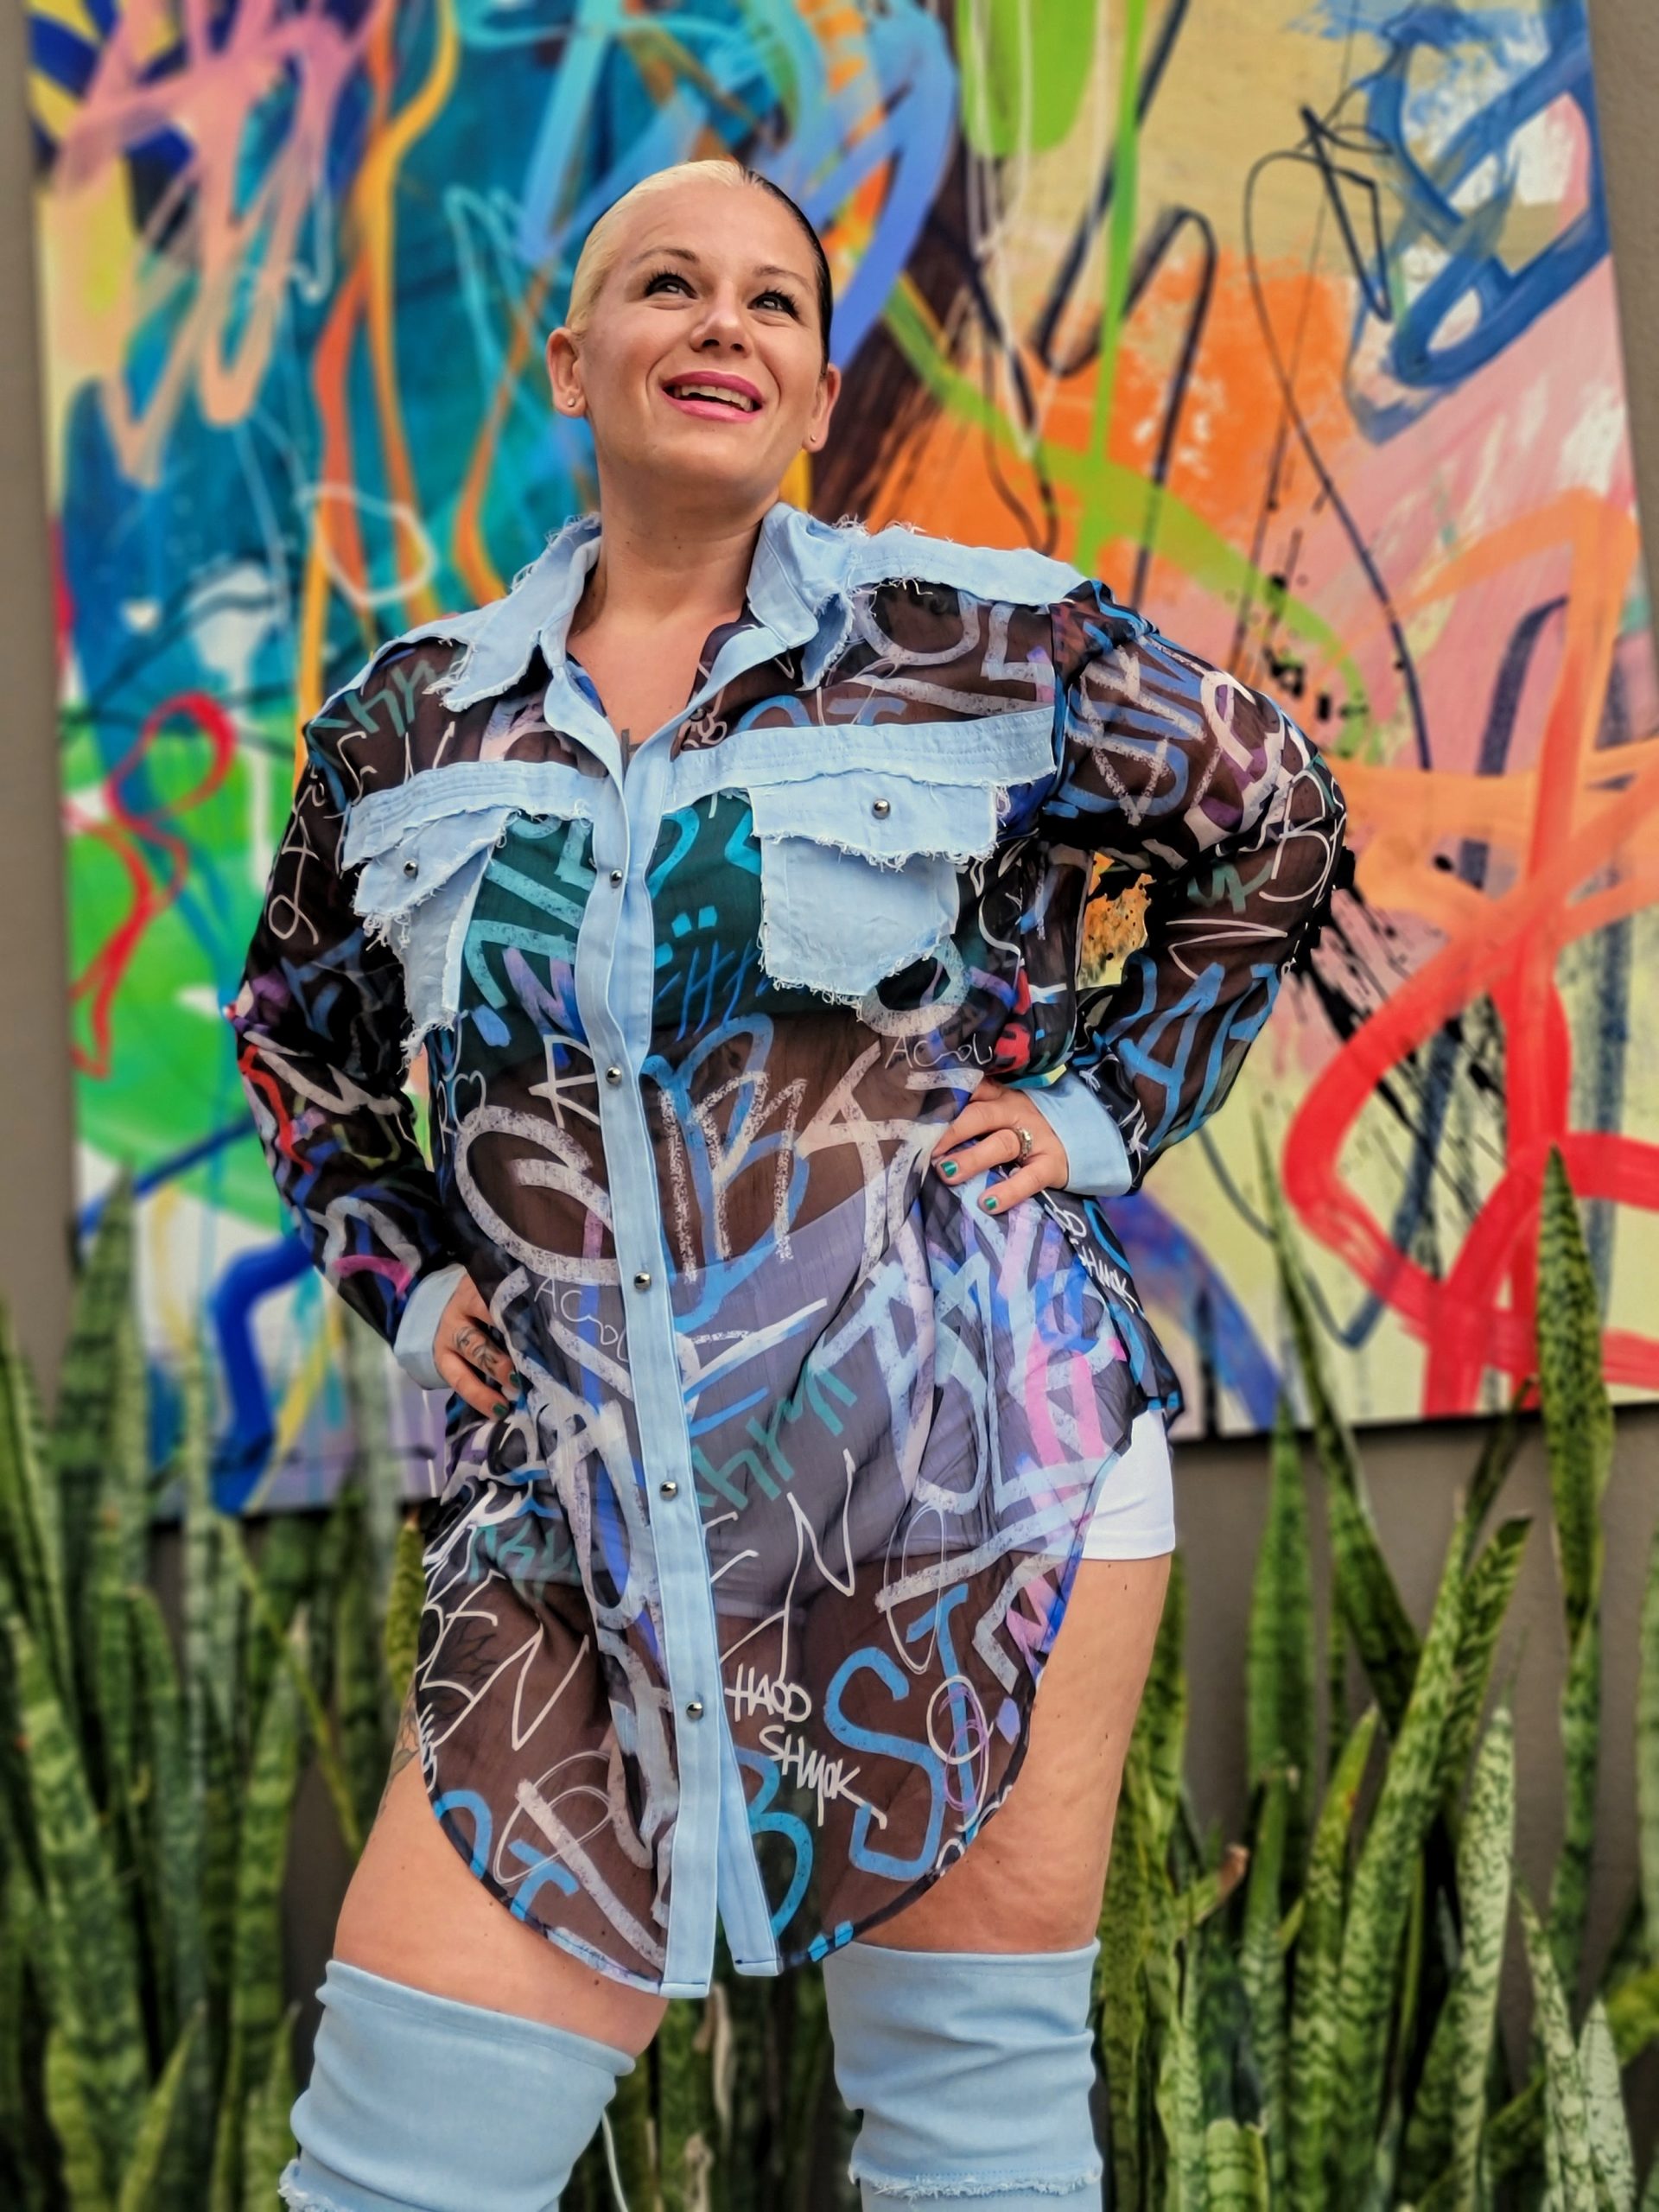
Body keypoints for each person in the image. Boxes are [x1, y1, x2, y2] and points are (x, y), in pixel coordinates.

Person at [231, 158, 1347, 2212]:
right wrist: (411, 1276)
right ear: (574, 357)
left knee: (973, 2141)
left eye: (771, 301)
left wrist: (1098, 1112)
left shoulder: (976, 641)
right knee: (393, 2167)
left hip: (962, 1469)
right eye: (667, 284)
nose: (720, 325)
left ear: (820, 389)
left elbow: (1272, 816)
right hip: (579, 1516)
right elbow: (293, 1033)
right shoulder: (404, 723)